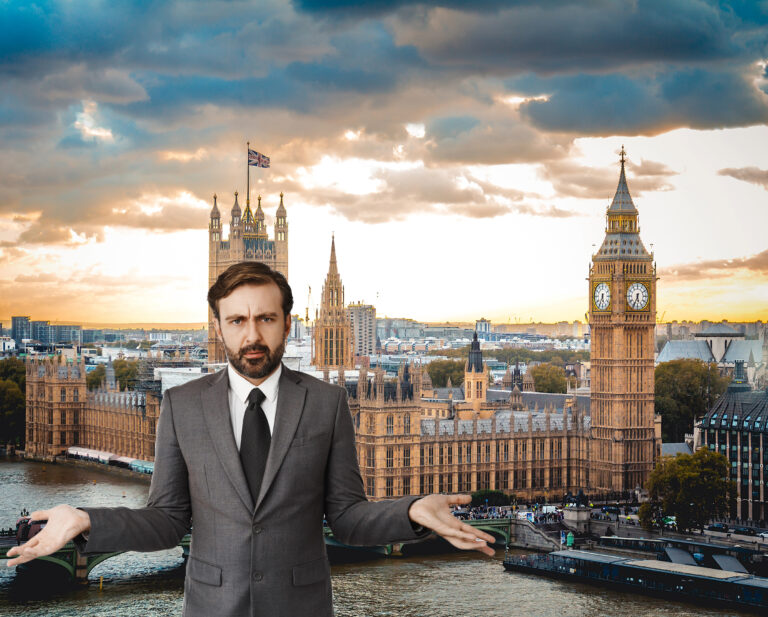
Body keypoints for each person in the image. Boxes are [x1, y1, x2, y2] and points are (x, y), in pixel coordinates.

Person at [7, 261, 494, 617]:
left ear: (287, 323)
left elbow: (346, 518)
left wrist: (409, 511)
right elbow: (168, 520)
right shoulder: (183, 405)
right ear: (218, 327)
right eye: (237, 320)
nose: (252, 333)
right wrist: (86, 518)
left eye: (266, 317)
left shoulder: (327, 403)